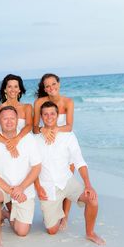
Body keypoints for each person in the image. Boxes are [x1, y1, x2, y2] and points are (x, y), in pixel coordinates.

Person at [34, 101, 105, 245]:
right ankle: (54, 211)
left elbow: (79, 161)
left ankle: (90, 233)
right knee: (52, 230)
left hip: (67, 181)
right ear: (41, 117)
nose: (49, 117)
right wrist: (38, 187)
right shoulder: (34, 140)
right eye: (45, 114)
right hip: (48, 187)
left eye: (52, 114)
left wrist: (88, 185)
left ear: (57, 115)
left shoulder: (68, 136)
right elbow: (32, 168)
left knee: (92, 199)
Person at [0, 106, 41, 247]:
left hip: (24, 188)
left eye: (12, 118)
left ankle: (5, 212)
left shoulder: (28, 139)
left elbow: (36, 168)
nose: (9, 122)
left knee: (22, 232)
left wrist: (21, 188)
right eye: (5, 118)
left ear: (17, 121)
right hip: (3, 187)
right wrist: (12, 191)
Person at [33, 73, 74, 229]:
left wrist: (56, 130)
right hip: (46, 144)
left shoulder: (68, 102)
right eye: (47, 86)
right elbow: (34, 128)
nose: (51, 88)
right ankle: (51, 211)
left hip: (64, 142)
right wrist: (43, 129)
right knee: (48, 178)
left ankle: (65, 216)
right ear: (44, 88)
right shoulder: (39, 102)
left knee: (67, 178)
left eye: (53, 84)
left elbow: (69, 126)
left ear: (59, 84)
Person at [0, 74, 32, 158]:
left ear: (19, 89)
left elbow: (29, 126)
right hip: (3, 146)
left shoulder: (27, 107)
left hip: (23, 145)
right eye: (9, 87)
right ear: (5, 89)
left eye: (16, 86)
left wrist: (16, 139)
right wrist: (7, 143)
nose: (13, 90)